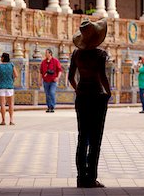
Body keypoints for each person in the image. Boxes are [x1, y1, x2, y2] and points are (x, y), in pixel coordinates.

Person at [68, 18, 111, 188]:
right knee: (95, 139)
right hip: (96, 96)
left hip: (82, 96)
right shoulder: (100, 54)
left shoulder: (76, 54)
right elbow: (102, 76)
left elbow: (70, 77)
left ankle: (81, 177)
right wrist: (109, 92)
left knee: (82, 136)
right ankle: (91, 177)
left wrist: (78, 89)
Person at [0, 52, 18, 125]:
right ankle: (11, 120)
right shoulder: (11, 65)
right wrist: (12, 80)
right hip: (9, 86)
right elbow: (16, 75)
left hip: (1, 86)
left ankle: (3, 120)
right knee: (11, 103)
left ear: (3, 58)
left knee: (2, 104)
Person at [40, 48, 62, 113]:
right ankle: (49, 106)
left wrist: (58, 77)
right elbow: (41, 72)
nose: (45, 54)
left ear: (50, 53)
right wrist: (40, 80)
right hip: (45, 81)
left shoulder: (55, 61)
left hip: (53, 81)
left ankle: (52, 106)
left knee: (52, 93)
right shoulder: (43, 62)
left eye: (46, 53)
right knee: (47, 94)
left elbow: (60, 70)